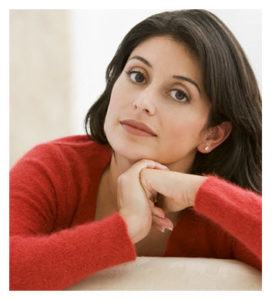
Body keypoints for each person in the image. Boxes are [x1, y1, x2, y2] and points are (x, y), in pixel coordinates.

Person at [10, 9, 262, 290]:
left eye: (179, 94)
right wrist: (126, 227)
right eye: (137, 76)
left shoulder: (223, 212)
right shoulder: (55, 167)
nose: (143, 102)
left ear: (212, 134)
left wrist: (195, 191)